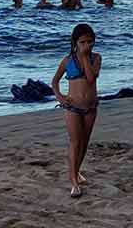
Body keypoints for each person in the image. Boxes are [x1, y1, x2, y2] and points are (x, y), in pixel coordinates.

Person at [51, 23, 101, 198]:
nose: (87, 45)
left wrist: (86, 58)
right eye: (82, 42)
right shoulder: (67, 61)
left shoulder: (96, 58)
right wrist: (60, 97)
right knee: (75, 142)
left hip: (91, 107)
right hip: (73, 107)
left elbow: (90, 79)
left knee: (85, 142)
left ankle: (77, 171)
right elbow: (54, 81)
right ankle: (73, 181)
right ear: (75, 42)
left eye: (90, 42)